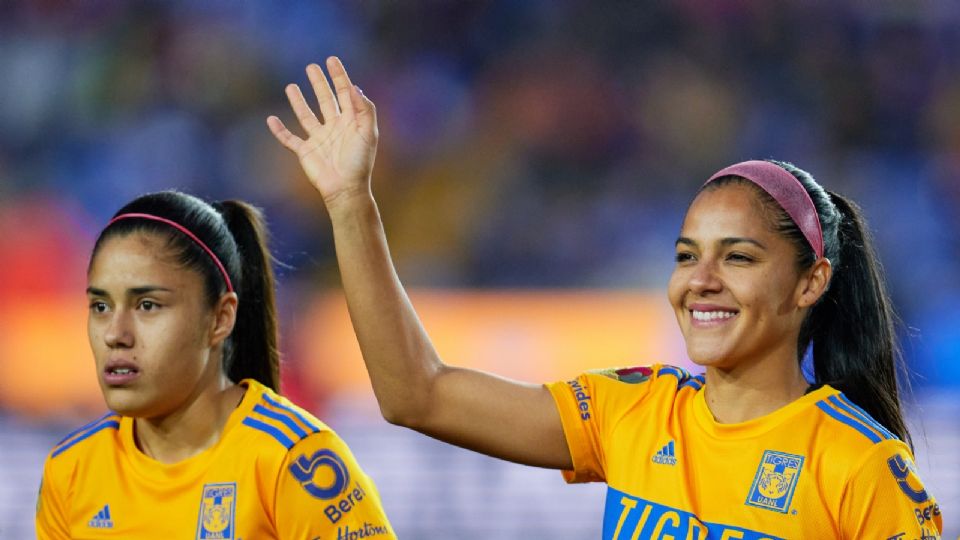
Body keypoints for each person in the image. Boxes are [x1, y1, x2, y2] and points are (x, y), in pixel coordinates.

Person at [267, 57, 943, 538]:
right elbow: (418, 394)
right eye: (686, 256)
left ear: (811, 282)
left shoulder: (861, 464)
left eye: (737, 256)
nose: (700, 280)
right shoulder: (635, 412)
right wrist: (351, 203)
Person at [35, 191, 395, 539]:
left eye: (147, 305)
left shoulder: (298, 462)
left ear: (220, 318)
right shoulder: (71, 470)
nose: (115, 334)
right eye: (101, 307)